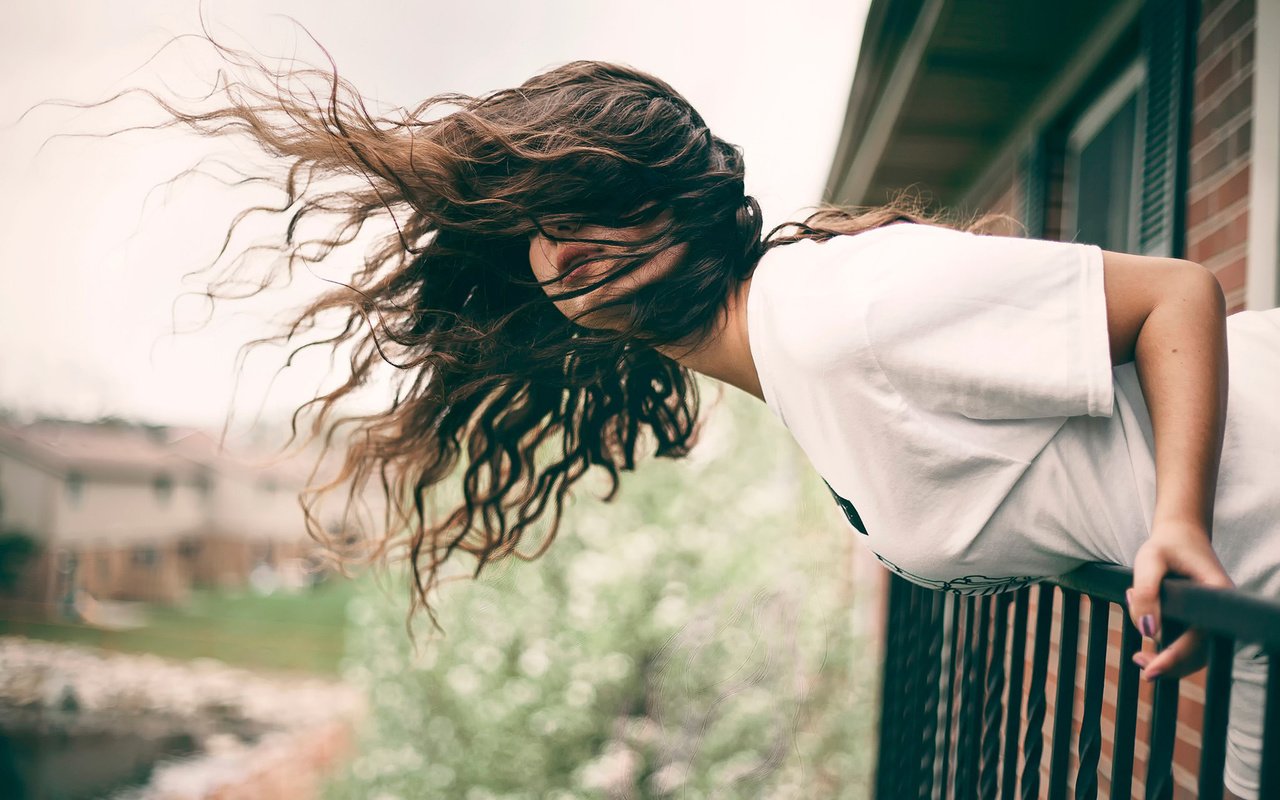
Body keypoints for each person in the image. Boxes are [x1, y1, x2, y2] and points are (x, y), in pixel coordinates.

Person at [111, 47, 1275, 798]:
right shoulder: (791, 342)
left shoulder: (837, 312)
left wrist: (1168, 521)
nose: (556, 247)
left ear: (682, 204)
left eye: (591, 207)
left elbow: (1172, 294)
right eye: (536, 224)